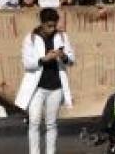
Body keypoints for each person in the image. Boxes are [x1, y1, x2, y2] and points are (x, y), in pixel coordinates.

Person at [14, 8, 75, 154]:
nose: (52, 29)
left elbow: (71, 60)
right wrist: (43, 59)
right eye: (49, 26)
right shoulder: (31, 38)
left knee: (51, 123)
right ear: (42, 23)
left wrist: (63, 56)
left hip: (56, 87)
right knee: (34, 122)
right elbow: (27, 63)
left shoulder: (62, 36)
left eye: (54, 25)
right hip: (37, 87)